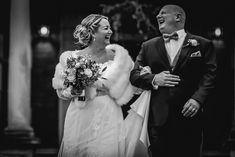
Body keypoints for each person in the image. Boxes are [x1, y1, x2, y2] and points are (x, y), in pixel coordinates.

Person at [52, 14, 148, 157]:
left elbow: (133, 86)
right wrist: (75, 89)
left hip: (109, 111)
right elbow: (61, 91)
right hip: (80, 112)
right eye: (106, 28)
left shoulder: (118, 57)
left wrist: (144, 77)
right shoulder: (70, 57)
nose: (110, 31)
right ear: (92, 32)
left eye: (110, 28)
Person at [130, 4, 217, 157]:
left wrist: (197, 99)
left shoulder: (202, 44)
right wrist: (154, 79)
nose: (158, 16)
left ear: (178, 17)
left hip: (190, 117)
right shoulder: (148, 46)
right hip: (158, 118)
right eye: (158, 14)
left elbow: (210, 75)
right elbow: (134, 75)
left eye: (163, 13)